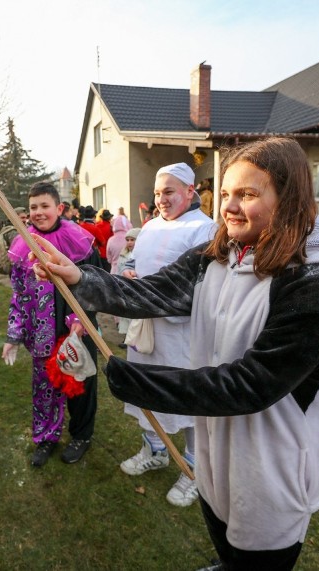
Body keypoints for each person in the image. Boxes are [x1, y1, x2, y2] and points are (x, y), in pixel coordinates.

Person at [34, 137, 319, 571]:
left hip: (271, 460)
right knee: (220, 523)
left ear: (289, 197)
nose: (230, 207)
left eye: (248, 194)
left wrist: (141, 383)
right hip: (214, 441)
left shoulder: (316, 281)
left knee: (259, 553)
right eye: (225, 193)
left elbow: (251, 384)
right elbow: (152, 290)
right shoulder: (216, 257)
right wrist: (80, 278)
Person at [115, 162, 215, 508]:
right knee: (147, 392)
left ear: (190, 192)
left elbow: (201, 288)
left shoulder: (204, 230)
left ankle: (194, 471)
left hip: (181, 336)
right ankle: (155, 451)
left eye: (169, 191)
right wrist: (129, 273)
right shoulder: (151, 227)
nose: (161, 199)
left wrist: (150, 295)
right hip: (146, 332)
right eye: (158, 193)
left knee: (186, 402)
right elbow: (136, 265)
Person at [1, 182, 102, 467]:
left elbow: (96, 287)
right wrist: (14, 335)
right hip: (41, 333)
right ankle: (46, 438)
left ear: (59, 208)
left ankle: (81, 435)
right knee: (44, 389)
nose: (38, 212)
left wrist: (79, 321)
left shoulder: (81, 242)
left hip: (77, 330)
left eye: (44, 206)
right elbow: (19, 296)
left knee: (79, 386)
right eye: (33, 207)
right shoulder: (22, 246)